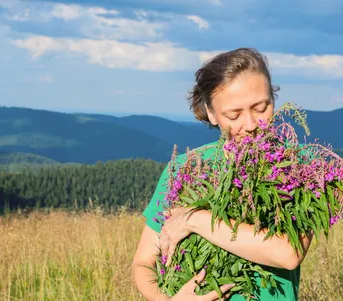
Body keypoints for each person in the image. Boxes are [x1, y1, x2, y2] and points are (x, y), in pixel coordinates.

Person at [132, 48, 313, 301]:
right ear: (210, 113)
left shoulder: (299, 168)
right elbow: (143, 263)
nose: (251, 125)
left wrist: (194, 219)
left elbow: (287, 253)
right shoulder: (183, 170)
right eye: (234, 115)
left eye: (261, 108)